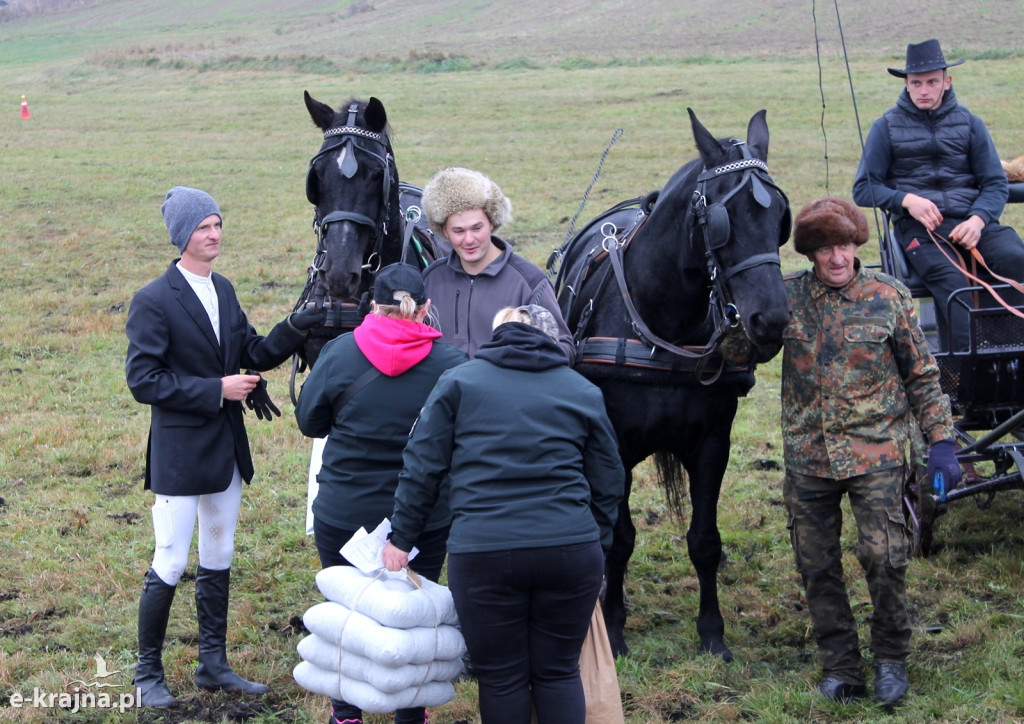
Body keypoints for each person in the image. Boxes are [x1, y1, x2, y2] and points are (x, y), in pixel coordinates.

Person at [125, 186, 327, 707]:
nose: (214, 234)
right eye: (202, 227)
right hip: (178, 453)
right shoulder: (153, 299)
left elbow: (252, 352)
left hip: (225, 449)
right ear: (181, 236)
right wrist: (216, 390)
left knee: (220, 553)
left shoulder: (225, 290)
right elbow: (144, 380)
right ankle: (148, 673)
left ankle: (212, 663)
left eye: (217, 224)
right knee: (169, 560)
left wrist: (295, 325)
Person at [382, 305, 624, 724]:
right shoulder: (581, 389)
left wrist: (402, 538)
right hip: (569, 550)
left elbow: (422, 466)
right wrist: (597, 543)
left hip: (483, 553)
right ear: (549, 340)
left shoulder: (459, 382)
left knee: (501, 678)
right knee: (558, 671)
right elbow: (609, 478)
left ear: (496, 337)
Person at [780, 197, 962, 707]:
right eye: (823, 249)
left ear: (856, 245)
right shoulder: (786, 297)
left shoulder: (890, 297)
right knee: (816, 565)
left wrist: (943, 442)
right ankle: (841, 666)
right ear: (810, 253)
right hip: (808, 456)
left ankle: (889, 660)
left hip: (876, 451)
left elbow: (923, 377)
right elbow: (742, 351)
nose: (836, 258)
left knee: (885, 557)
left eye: (843, 246)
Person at [293, 262, 467, 724]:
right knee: (414, 615)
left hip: (344, 510)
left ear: (373, 305)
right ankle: (411, 713)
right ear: (426, 308)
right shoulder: (453, 365)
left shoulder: (339, 352)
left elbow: (310, 420)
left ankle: (346, 711)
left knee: (350, 615)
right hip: (423, 517)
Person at [853, 38, 1024, 351]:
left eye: (932, 82)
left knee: (1017, 258)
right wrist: (907, 200)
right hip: (921, 232)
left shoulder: (971, 124)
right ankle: (962, 372)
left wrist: (978, 219)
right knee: (952, 284)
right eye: (916, 83)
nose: (923, 90)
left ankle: (1011, 358)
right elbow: (863, 188)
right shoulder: (885, 127)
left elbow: (995, 183)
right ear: (906, 84)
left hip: (973, 225)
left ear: (947, 82)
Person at [419, 166, 576, 361]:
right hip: (443, 392)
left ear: (492, 222)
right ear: (444, 230)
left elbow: (564, 348)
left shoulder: (530, 282)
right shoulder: (431, 279)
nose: (469, 240)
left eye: (477, 228)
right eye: (459, 231)